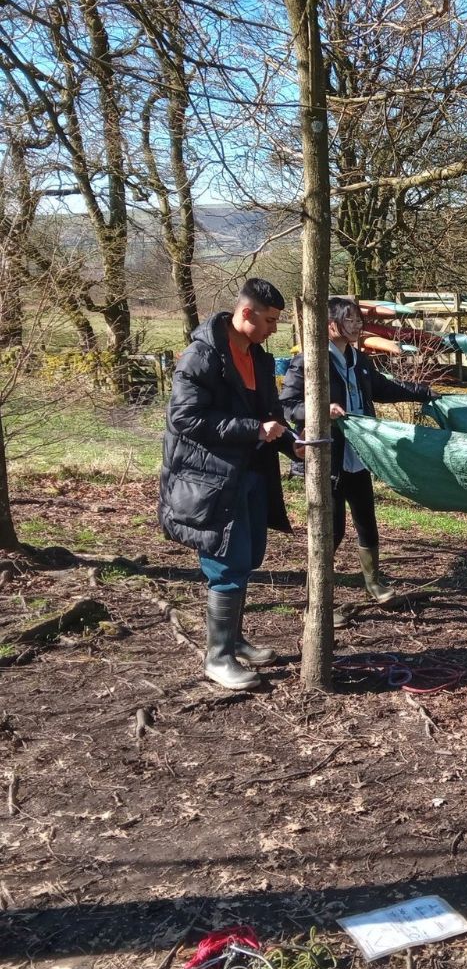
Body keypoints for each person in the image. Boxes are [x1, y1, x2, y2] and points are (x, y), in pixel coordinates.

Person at [159, 278, 300, 691]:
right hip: (211, 481)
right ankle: (217, 657)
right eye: (270, 320)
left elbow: (271, 412)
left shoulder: (257, 356)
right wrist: (254, 429)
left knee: (248, 556)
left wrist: (294, 446)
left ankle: (235, 639)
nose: (275, 328)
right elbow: (184, 419)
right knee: (226, 563)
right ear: (246, 313)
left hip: (251, 475)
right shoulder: (201, 356)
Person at [280, 296, 431, 621]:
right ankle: (316, 605)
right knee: (330, 531)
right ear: (330, 324)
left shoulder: (359, 359)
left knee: (367, 522)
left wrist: (422, 392)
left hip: (359, 456)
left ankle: (374, 584)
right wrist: (321, 410)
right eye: (350, 320)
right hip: (326, 459)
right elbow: (288, 405)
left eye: (359, 319)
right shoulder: (310, 362)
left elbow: (383, 388)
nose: (358, 325)